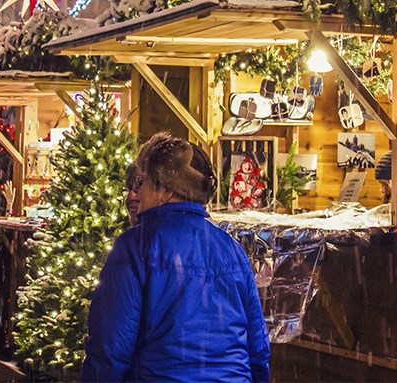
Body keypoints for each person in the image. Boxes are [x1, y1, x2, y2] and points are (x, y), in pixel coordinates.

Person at [81, 133, 270, 383]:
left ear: (166, 189)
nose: (135, 193)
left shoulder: (136, 247)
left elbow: (110, 351)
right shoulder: (231, 249)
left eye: (142, 182)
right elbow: (257, 349)